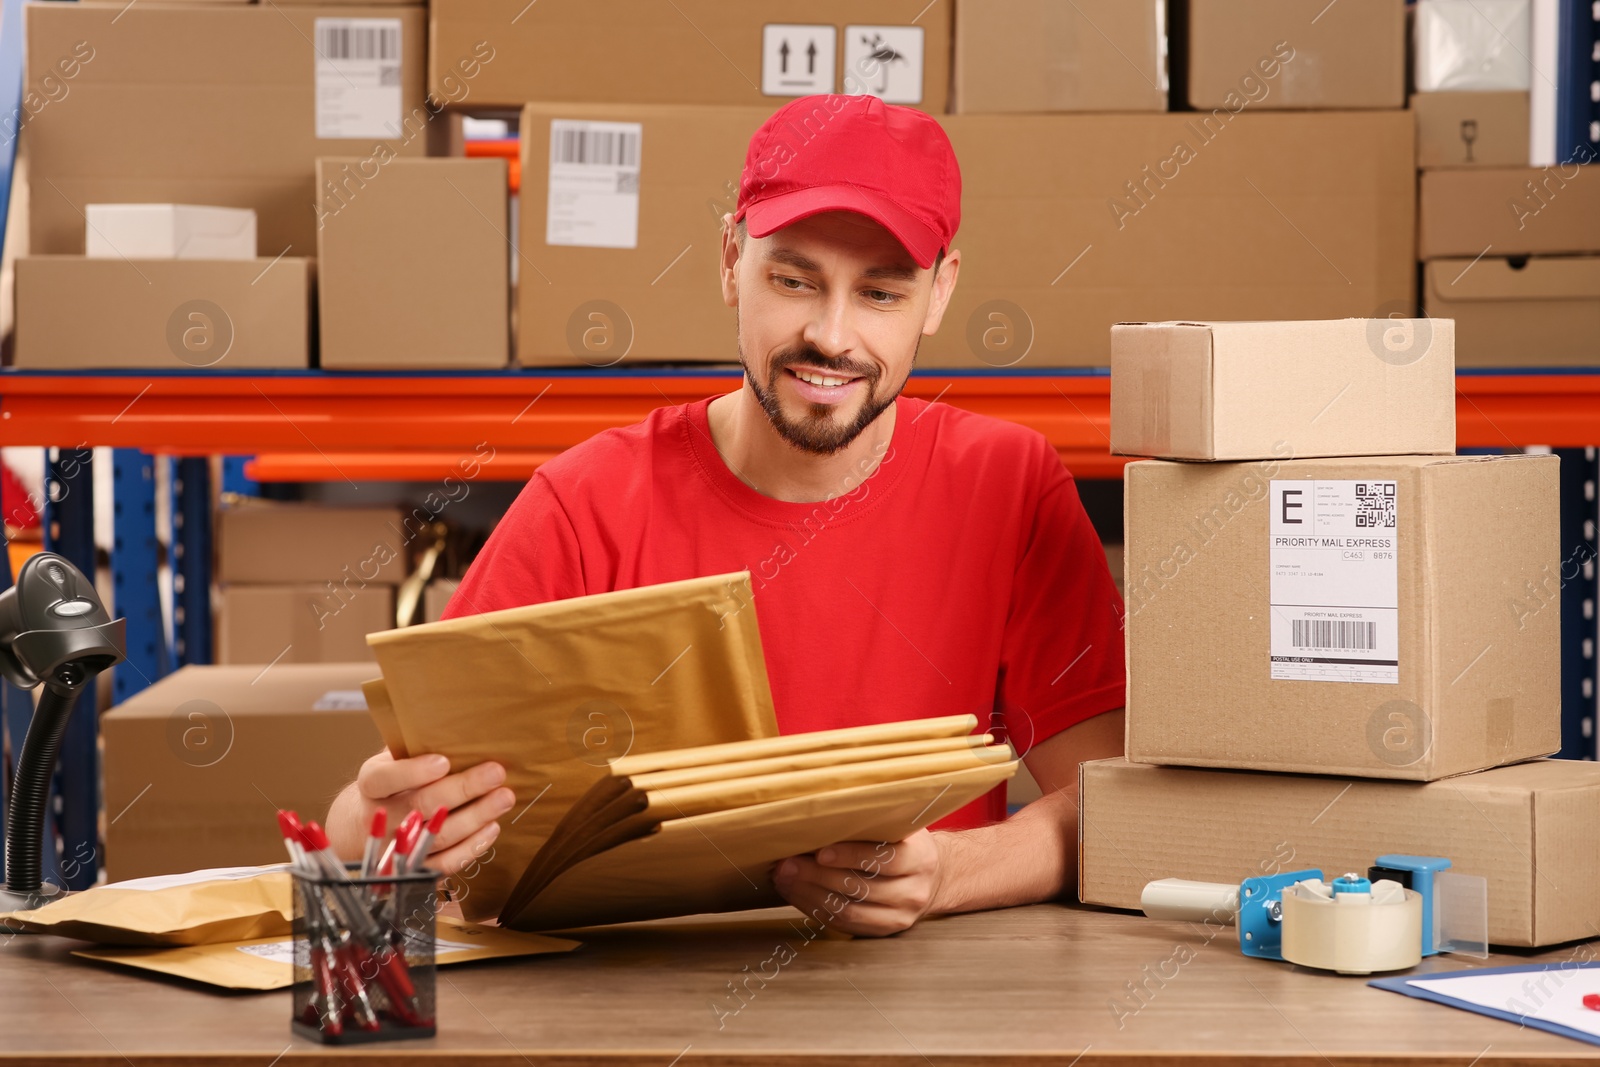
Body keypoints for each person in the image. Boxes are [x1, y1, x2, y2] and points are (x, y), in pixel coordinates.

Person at [327, 94, 1126, 936]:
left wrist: (952, 872)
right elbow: (377, 812)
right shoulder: (587, 500)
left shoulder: (1008, 487)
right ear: (729, 260)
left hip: (922, 1009)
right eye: (792, 280)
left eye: (882, 294)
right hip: (628, 1013)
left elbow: (1113, 806)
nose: (831, 335)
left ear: (940, 293)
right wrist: (374, 828)